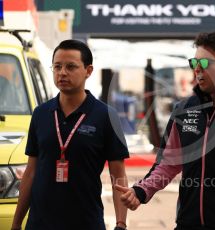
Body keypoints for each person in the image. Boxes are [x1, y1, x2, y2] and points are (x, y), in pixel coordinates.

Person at [116, 32, 215, 230]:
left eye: (205, 63)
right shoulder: (183, 110)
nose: (197, 70)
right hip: (187, 222)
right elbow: (168, 163)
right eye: (194, 63)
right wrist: (140, 191)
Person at [11, 39, 129, 230]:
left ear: (88, 71)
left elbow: (118, 175)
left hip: (86, 222)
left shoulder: (106, 116)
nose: (62, 72)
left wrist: (121, 224)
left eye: (71, 67)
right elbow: (30, 172)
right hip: (40, 224)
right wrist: (16, 223)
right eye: (57, 67)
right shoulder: (41, 114)